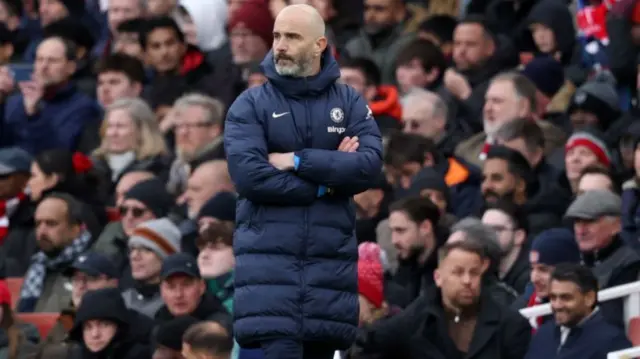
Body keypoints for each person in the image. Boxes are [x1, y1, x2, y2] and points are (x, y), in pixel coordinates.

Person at [224, 4, 383, 359]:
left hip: (329, 284)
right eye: (277, 36)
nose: (280, 45)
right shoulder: (249, 105)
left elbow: (369, 167)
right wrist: (328, 182)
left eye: (292, 37)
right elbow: (251, 178)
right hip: (271, 289)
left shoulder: (350, 103)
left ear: (319, 45)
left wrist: (298, 160)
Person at [524, 263, 631, 359]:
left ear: (589, 298)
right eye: (553, 297)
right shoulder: (543, 333)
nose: (557, 305)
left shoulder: (612, 341)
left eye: (566, 298)